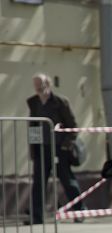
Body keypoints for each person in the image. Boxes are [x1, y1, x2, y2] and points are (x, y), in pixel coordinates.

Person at [26, 73, 84, 223]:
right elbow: (33, 127)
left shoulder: (60, 102)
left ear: (48, 85)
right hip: (41, 149)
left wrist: (66, 145)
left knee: (68, 180)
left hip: (59, 148)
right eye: (37, 87)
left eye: (42, 86)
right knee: (38, 183)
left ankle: (80, 211)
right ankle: (36, 216)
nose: (40, 90)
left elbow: (72, 126)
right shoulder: (33, 103)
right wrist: (33, 150)